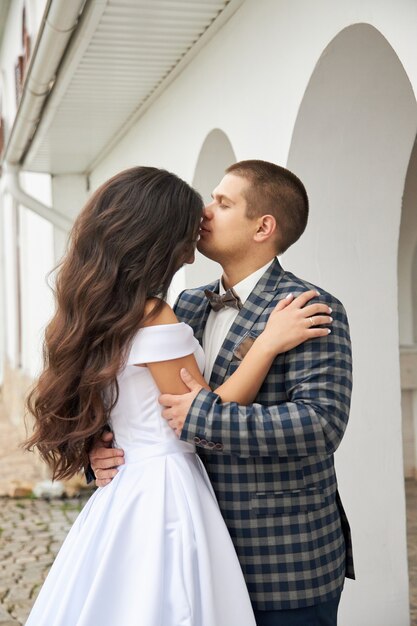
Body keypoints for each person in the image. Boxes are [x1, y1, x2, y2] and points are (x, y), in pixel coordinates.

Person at [24, 165, 332, 626]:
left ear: (263, 227)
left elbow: (319, 423)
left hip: (277, 549)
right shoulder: (180, 306)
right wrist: (100, 446)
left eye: (223, 203)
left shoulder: (307, 308)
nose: (205, 214)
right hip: (170, 504)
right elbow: (173, 406)